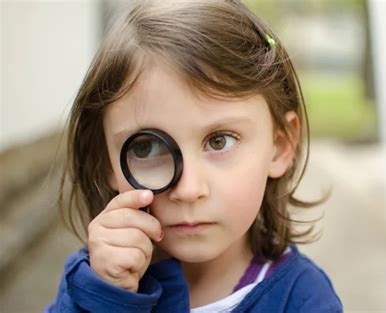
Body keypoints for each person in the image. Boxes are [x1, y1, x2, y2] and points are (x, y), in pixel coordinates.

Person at [46, 0, 342, 312]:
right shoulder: (93, 281)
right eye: (147, 148)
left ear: (279, 146)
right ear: (106, 161)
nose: (188, 190)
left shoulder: (303, 301)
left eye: (219, 141)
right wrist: (105, 298)